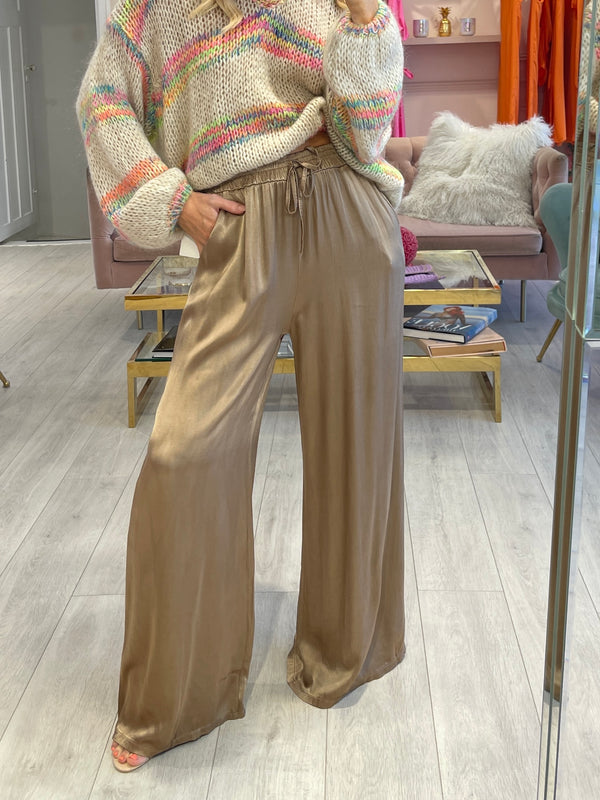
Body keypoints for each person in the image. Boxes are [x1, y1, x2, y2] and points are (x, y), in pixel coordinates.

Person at [77, 0, 406, 773]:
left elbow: (366, 133)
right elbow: (102, 101)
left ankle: (344, 651)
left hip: (349, 214)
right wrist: (170, 202)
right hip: (239, 223)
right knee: (183, 453)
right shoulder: (153, 9)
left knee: (357, 450)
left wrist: (364, 17)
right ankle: (173, 698)